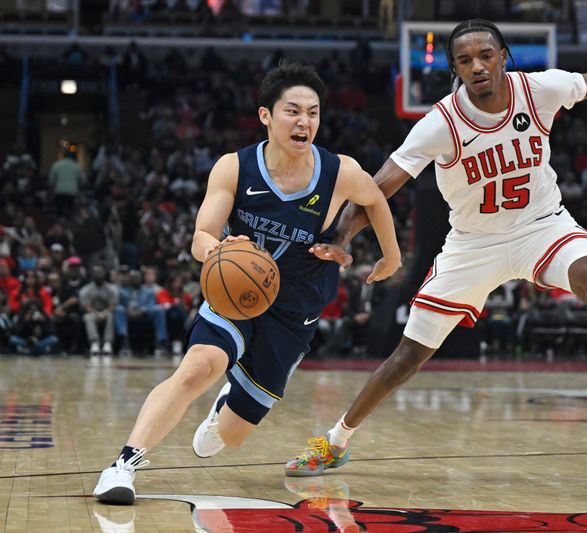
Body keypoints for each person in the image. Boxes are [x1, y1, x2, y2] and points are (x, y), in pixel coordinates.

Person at [285, 19, 587, 488]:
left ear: (504, 56)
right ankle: (335, 441)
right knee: (408, 355)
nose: (477, 66)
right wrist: (342, 236)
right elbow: (382, 184)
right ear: (455, 69)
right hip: (473, 244)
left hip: (542, 227)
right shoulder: (440, 123)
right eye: (465, 60)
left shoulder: (539, 89)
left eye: (486, 55)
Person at [92, 63, 401, 505]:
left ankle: (225, 409)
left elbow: (375, 200)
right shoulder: (234, 168)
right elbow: (201, 235)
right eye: (293, 111)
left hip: (296, 308)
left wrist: (391, 255)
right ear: (265, 116)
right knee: (198, 367)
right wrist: (216, 250)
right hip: (237, 294)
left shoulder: (340, 172)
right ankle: (123, 466)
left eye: (313, 113)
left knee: (230, 437)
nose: (304, 122)